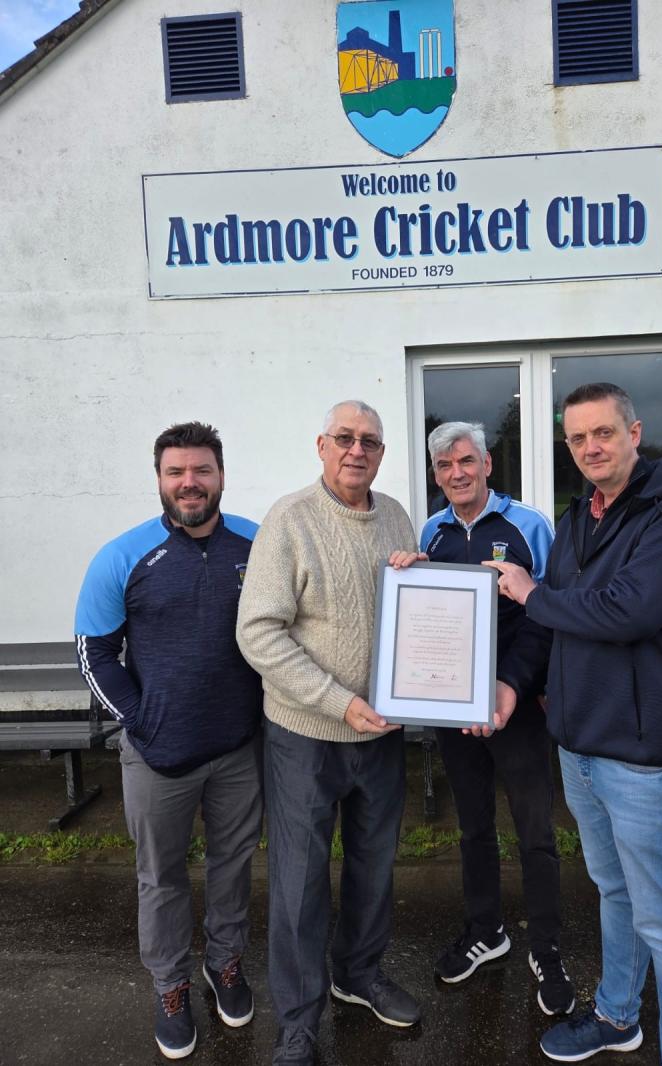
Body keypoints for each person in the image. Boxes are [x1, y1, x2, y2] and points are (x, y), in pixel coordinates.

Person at [487, 383, 662, 1066]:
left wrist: (534, 593)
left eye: (604, 432)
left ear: (634, 433)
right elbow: (557, 620)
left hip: (648, 754)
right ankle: (618, 1017)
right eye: (577, 437)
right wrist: (516, 682)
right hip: (581, 745)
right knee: (615, 892)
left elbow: (628, 610)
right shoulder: (580, 517)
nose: (591, 447)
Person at [236, 400, 424, 1066]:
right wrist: (338, 702)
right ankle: (297, 1020)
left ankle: (359, 974)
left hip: (382, 734)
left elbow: (409, 612)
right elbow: (258, 632)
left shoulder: (396, 515)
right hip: (306, 735)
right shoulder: (289, 519)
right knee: (299, 880)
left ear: (381, 453)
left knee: (375, 865)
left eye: (369, 441)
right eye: (344, 438)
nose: (356, 450)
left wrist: (421, 581)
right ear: (321, 446)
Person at [75, 422, 264, 1060]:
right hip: (157, 756)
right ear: (159, 479)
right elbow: (94, 653)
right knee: (161, 877)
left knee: (233, 865)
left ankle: (225, 963)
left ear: (220, 475)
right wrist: (140, 719)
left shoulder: (257, 544)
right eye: (176, 472)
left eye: (201, 470)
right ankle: (170, 985)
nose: (190, 483)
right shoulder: (122, 556)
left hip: (238, 749)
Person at [420, 422, 574, 1016]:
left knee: (535, 829)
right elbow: (427, 614)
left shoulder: (529, 525)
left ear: (487, 463)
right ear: (436, 474)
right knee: (473, 826)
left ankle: (547, 948)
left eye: (466, 461)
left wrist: (514, 685)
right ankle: (486, 931)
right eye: (444, 465)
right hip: (454, 709)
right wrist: (408, 571)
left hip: (519, 704)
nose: (456, 473)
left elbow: (547, 613)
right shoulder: (431, 532)